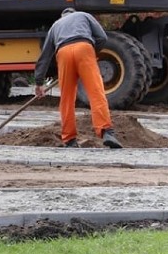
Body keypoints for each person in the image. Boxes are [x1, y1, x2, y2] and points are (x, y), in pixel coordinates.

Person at [34, 8, 123, 149]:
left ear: (62, 16)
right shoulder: (84, 15)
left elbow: (45, 56)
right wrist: (92, 52)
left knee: (67, 98)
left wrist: (39, 82)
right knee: (96, 92)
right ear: (73, 13)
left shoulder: (55, 26)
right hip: (84, 48)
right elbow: (102, 37)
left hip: (63, 53)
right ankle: (106, 132)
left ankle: (69, 140)